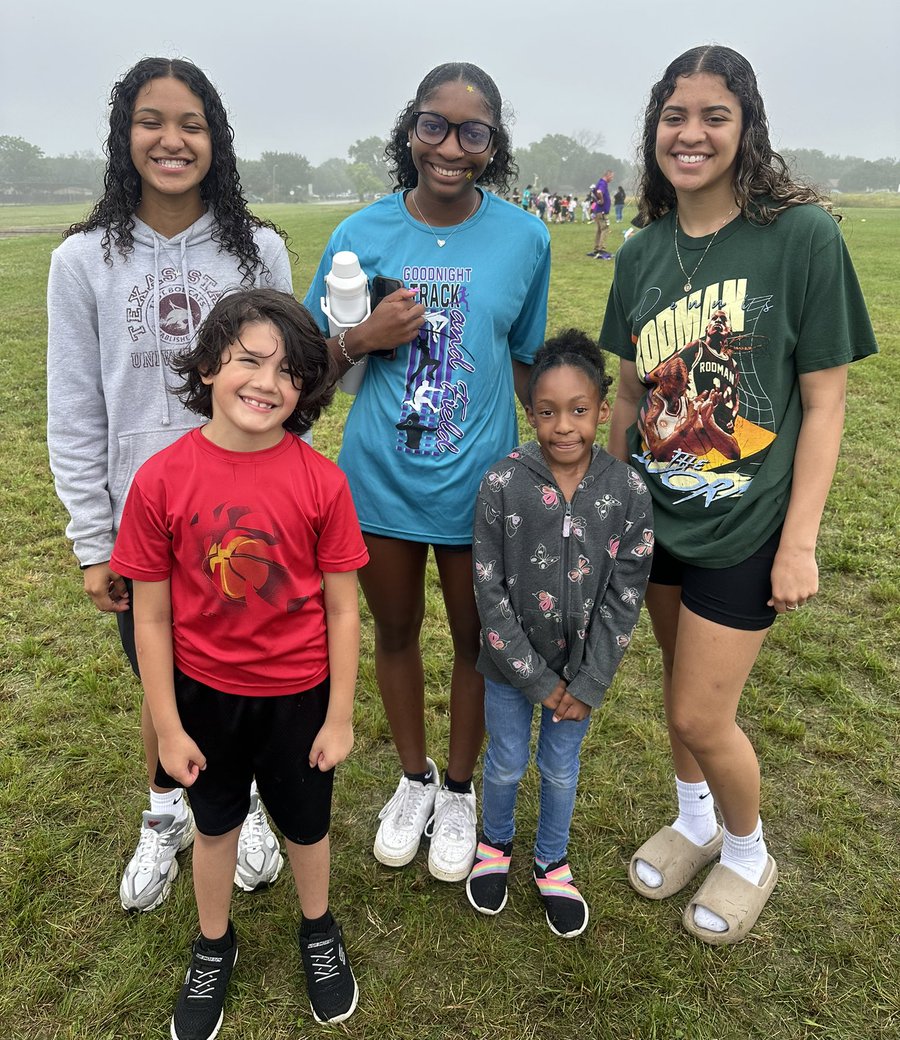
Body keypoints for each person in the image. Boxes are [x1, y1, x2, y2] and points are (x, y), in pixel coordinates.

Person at [600, 45, 877, 945]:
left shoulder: (802, 236)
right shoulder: (641, 248)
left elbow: (825, 401)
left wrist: (799, 541)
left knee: (698, 711)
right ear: (654, 131)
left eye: (714, 115)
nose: (692, 133)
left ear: (746, 127)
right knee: (675, 688)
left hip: (747, 522)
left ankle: (749, 852)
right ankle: (694, 821)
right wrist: (606, 497)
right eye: (675, 115)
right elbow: (635, 393)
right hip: (655, 513)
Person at [46, 57, 293, 913]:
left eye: (191, 123)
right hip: (141, 522)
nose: (172, 140)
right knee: (166, 675)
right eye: (152, 121)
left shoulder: (256, 249)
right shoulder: (82, 261)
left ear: (215, 140)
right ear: (125, 136)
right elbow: (75, 409)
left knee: (244, 673)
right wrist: (93, 538)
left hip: (244, 514)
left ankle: (246, 802)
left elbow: (285, 389)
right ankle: (164, 817)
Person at [304, 62, 551, 883]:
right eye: (434, 125)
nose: (451, 145)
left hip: (483, 491)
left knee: (478, 643)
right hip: (379, 483)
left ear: (492, 145)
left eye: (472, 131)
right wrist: (365, 335)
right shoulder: (358, 236)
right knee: (397, 632)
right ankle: (411, 781)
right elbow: (313, 369)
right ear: (409, 130)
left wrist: (564, 462)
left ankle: (457, 789)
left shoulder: (526, 238)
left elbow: (524, 364)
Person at [110, 289, 365, 1037]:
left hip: (298, 698)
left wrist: (341, 713)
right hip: (204, 700)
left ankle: (318, 929)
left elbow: (344, 608)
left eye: (288, 372)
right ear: (208, 366)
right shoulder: (159, 480)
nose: (266, 382)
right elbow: (149, 616)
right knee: (216, 828)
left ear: (307, 390)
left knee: (306, 829)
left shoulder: (324, 483)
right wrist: (167, 726)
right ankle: (213, 942)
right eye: (249, 360)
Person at [465, 330, 652, 938]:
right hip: (508, 670)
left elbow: (626, 596)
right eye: (547, 412)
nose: (563, 426)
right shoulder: (501, 484)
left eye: (578, 410)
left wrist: (589, 680)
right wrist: (536, 679)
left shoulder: (627, 492)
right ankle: (494, 845)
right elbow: (487, 593)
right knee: (505, 762)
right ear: (530, 413)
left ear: (603, 408)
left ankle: (552, 861)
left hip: (580, 680)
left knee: (561, 769)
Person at [588, 170, 614, 258]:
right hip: (602, 211)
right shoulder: (603, 183)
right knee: (605, 228)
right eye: (611, 176)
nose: (612, 178)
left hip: (598, 211)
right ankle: (601, 248)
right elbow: (599, 192)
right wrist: (602, 200)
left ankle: (596, 248)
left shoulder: (600, 182)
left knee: (599, 229)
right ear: (607, 175)